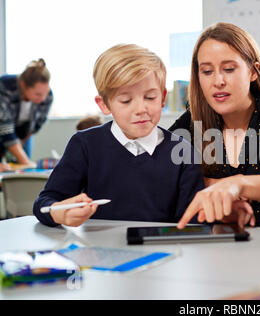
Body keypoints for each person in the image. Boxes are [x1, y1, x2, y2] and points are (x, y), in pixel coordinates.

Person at [33, 44, 204, 227]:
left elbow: (192, 223)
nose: (140, 109)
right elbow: (45, 202)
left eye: (150, 98)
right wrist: (59, 213)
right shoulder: (85, 145)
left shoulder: (183, 151)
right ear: (104, 104)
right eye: (126, 100)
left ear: (162, 98)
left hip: (164, 251)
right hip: (99, 252)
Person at [172, 23, 260, 228]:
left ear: (253, 72)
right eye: (207, 71)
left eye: (229, 69)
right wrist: (219, 187)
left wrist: (237, 185)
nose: (218, 81)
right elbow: (164, 175)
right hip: (217, 246)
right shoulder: (192, 122)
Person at [0, 59, 53, 165]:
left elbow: (36, 126)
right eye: (38, 94)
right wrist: (26, 162)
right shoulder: (4, 86)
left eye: (45, 93)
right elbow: (5, 128)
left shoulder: (47, 96)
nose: (43, 99)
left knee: (21, 169)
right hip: (3, 129)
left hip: (22, 133)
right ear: (23, 84)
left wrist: (21, 155)